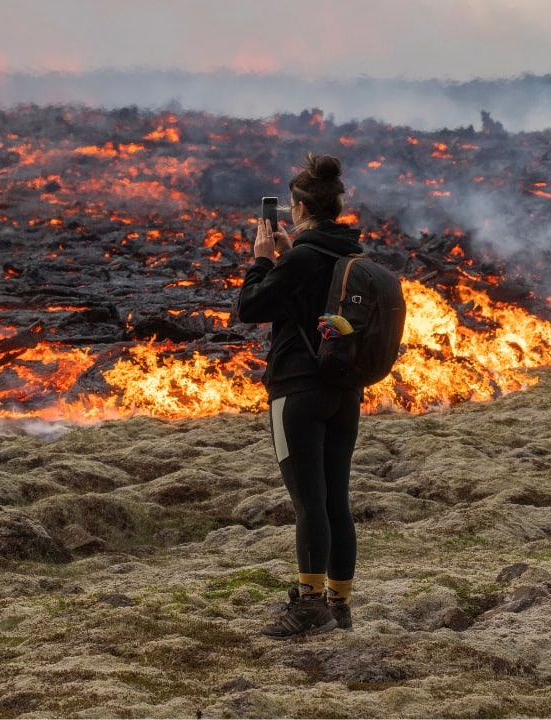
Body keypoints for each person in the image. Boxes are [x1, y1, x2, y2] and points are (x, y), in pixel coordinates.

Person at [236, 153, 363, 639]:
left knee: (309, 503)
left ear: (300, 208)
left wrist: (263, 261)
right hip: (344, 391)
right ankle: (339, 603)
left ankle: (309, 604)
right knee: (336, 501)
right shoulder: (349, 255)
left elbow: (251, 307)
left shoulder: (301, 258)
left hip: (298, 390)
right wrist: (289, 256)